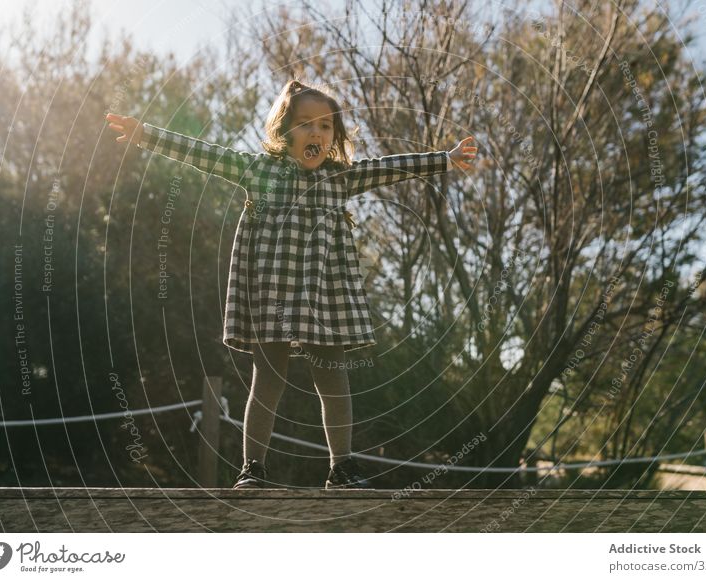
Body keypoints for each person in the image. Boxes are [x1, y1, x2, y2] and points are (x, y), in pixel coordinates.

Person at [105, 78, 477, 489]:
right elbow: (203, 154)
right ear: (285, 131)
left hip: (325, 292)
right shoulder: (259, 171)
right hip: (273, 293)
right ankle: (253, 469)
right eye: (305, 124)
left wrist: (446, 159)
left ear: (333, 137)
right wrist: (146, 135)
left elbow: (387, 168)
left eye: (325, 126)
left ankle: (342, 468)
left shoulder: (340, 178)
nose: (316, 132)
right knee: (269, 376)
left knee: (333, 377)